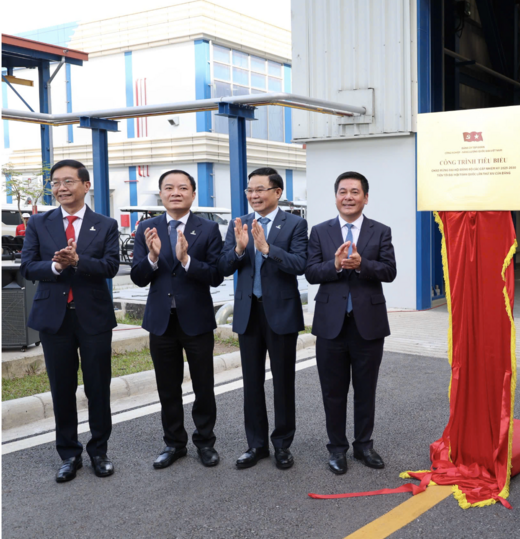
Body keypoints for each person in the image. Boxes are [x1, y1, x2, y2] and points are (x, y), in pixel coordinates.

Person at [20, 160, 119, 483]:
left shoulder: (104, 224)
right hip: (54, 319)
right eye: (55, 182)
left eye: (68, 181)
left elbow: (110, 266)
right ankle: (69, 454)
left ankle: (99, 451)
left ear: (85, 185)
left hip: (93, 317)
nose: (61, 188)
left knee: (97, 387)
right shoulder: (39, 222)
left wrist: (79, 261)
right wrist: (57, 268)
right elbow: (28, 267)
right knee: (62, 388)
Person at [130, 170, 224, 469]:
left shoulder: (207, 229)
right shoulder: (147, 227)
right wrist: (153, 258)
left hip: (195, 319)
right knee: (167, 387)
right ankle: (174, 444)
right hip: (161, 321)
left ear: (193, 194)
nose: (175, 192)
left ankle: (205, 443)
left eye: (182, 188)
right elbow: (138, 278)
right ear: (161, 194)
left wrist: (186, 260)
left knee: (203, 385)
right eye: (168, 188)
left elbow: (216, 275)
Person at [305, 171, 396, 475]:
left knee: (365, 388)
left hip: (367, 324)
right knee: (332, 390)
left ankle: (364, 446)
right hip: (331, 324)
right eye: (342, 191)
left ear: (365, 197)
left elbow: (389, 271)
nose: (348, 197)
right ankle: (337, 449)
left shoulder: (380, 231)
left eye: (354, 192)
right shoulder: (320, 231)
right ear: (336, 197)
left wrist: (362, 265)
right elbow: (311, 273)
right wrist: (333, 265)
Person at [218, 168, 307, 470]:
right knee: (252, 382)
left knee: (283, 382)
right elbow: (223, 266)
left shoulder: (295, 223)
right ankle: (256, 445)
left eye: (260, 189)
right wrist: (241, 249)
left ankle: (282, 445)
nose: (254, 195)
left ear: (277, 192)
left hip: (281, 313)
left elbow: (300, 264)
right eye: (250, 190)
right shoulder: (239, 223)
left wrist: (268, 249)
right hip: (248, 313)